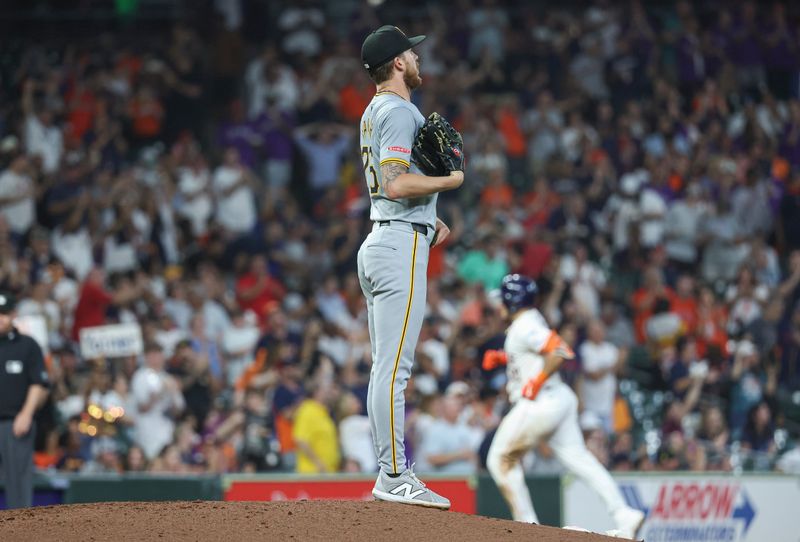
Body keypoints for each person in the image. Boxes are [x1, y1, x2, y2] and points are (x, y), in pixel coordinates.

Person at [356, 24, 464, 510]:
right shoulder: (399, 110)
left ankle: (389, 471)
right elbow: (397, 184)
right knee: (394, 370)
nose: (418, 59)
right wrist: (450, 180)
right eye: (411, 53)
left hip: (387, 237)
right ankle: (395, 474)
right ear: (398, 63)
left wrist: (430, 216)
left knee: (385, 368)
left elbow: (390, 190)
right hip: (397, 247)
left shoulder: (375, 110)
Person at [482, 275, 644, 539]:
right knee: (581, 460)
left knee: (499, 458)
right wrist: (505, 358)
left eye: (502, 299)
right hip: (558, 400)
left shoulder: (524, 325)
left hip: (540, 402)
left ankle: (527, 527)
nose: (499, 304)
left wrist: (537, 380)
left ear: (512, 301)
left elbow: (560, 350)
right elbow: (535, 352)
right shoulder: (529, 321)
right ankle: (623, 513)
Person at [0, 291, 50, 508]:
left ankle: (19, 536)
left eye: (3, 314)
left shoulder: (27, 345)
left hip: (15, 423)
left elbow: (37, 383)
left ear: (13, 315)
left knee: (18, 483)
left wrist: (26, 414)